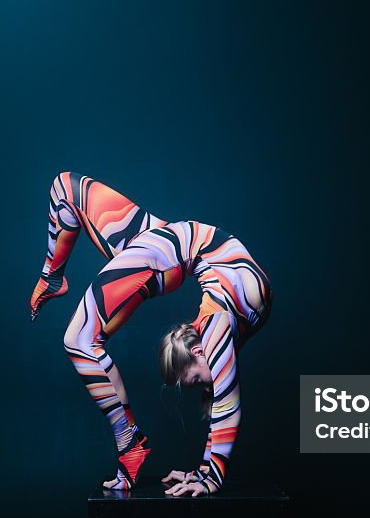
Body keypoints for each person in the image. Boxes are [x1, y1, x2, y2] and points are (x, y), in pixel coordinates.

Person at [30, 171, 272, 495]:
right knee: (78, 340)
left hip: (172, 241)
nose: (204, 384)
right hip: (164, 250)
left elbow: (220, 404)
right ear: (199, 352)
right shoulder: (217, 324)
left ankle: (53, 274)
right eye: (197, 380)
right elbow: (227, 404)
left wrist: (204, 473)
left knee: (66, 189)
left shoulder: (218, 325)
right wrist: (210, 479)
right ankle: (130, 444)